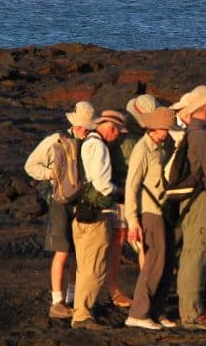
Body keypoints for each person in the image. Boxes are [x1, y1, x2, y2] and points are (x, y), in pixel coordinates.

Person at [23, 101, 93, 320]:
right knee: (62, 251)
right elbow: (30, 166)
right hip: (60, 201)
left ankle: (71, 299)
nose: (84, 129)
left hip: (82, 202)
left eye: (87, 125)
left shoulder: (91, 142)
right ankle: (57, 301)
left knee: (78, 253)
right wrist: (51, 175)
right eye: (82, 125)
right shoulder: (55, 140)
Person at [171, 84, 206, 331]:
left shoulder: (192, 133)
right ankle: (192, 313)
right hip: (202, 199)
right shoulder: (201, 134)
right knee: (198, 253)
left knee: (190, 254)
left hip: (191, 198)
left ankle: (188, 310)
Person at [123, 107, 180, 331]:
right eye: (164, 128)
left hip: (163, 211)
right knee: (154, 263)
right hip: (150, 213)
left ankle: (157, 310)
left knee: (166, 264)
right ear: (153, 127)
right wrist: (132, 220)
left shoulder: (161, 147)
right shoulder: (142, 149)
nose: (166, 132)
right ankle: (138, 313)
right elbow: (132, 186)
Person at [68, 104, 119, 330]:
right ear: (106, 127)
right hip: (96, 215)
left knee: (84, 265)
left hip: (80, 212)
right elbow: (102, 184)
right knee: (94, 268)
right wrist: (116, 191)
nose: (117, 135)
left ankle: (81, 309)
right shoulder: (97, 147)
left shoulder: (82, 145)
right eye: (117, 130)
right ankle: (82, 314)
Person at [98, 110, 135, 309]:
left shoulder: (99, 142)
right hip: (117, 198)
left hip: (109, 198)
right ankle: (113, 290)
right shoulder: (125, 144)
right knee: (116, 243)